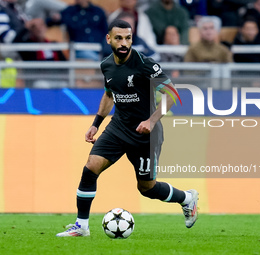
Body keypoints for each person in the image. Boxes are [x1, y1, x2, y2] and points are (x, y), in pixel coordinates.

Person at [56, 19, 199, 237]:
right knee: (91, 167)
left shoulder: (145, 64)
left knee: (147, 188)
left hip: (146, 135)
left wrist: (151, 121)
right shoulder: (106, 65)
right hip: (119, 127)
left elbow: (172, 94)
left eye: (128, 38)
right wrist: (96, 124)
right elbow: (109, 93)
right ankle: (81, 226)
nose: (124, 43)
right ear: (109, 39)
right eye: (119, 38)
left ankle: (187, 198)